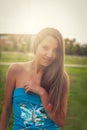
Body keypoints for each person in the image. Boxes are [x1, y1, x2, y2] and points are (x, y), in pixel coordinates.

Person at [0, 27, 69, 130]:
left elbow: (60, 121)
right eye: (45, 47)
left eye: (55, 50)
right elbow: (6, 109)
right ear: (36, 45)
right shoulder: (15, 70)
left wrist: (43, 94)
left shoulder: (61, 78)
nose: (50, 54)